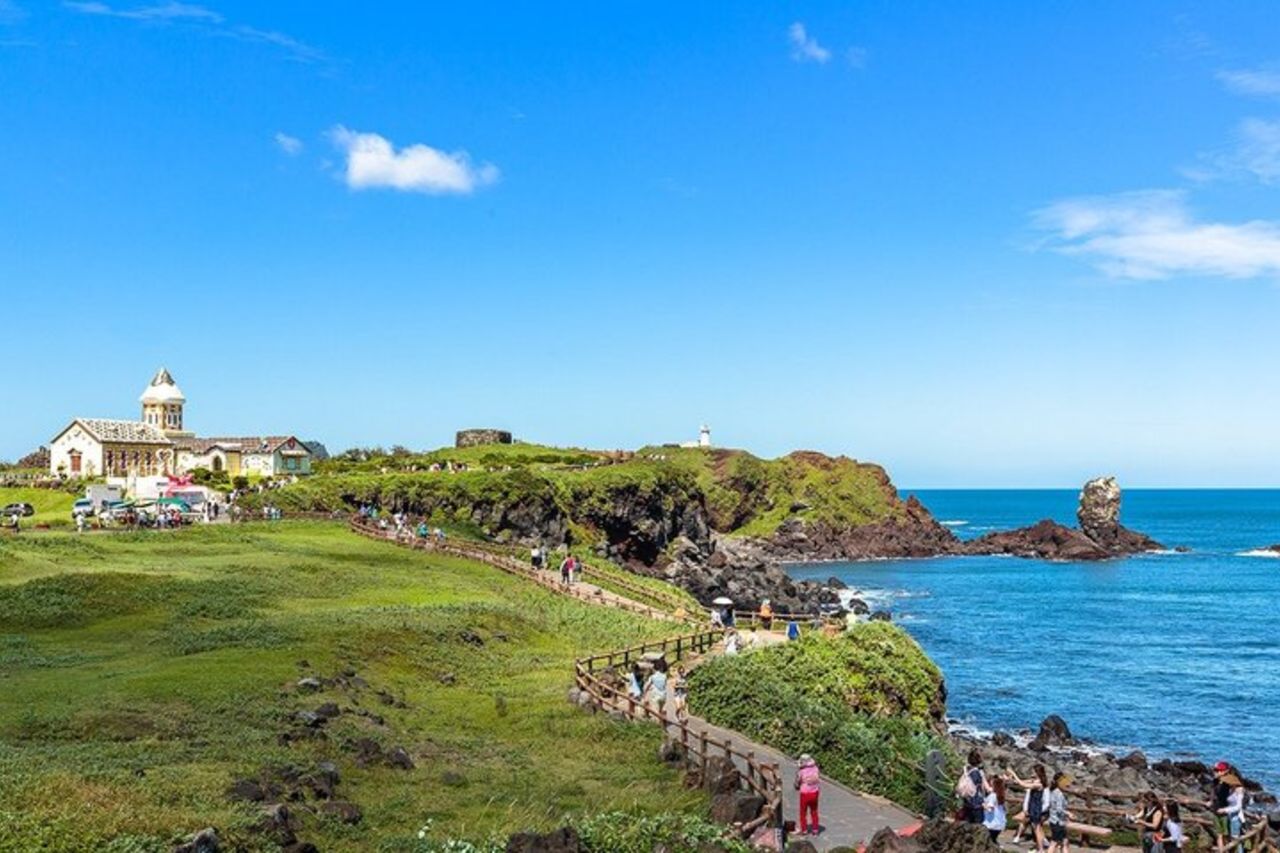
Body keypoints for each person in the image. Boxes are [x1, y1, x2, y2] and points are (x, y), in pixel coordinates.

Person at [1009, 764, 1051, 851]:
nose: (1032, 772)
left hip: (1035, 809)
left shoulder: (1038, 784)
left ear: (1038, 772)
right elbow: (1020, 782)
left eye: (1034, 771)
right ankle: (1041, 848)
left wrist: (1013, 773)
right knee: (1037, 829)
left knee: (1037, 830)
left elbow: (1023, 785)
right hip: (1033, 807)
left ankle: (1041, 849)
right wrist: (1011, 779)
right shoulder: (1035, 781)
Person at [956, 750, 988, 825]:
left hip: (967, 802)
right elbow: (984, 788)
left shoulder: (966, 771)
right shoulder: (978, 773)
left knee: (968, 826)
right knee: (978, 827)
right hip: (977, 804)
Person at [795, 754, 821, 836]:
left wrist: (797, 785)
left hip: (805, 793)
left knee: (803, 812)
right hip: (815, 792)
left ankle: (804, 830)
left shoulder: (801, 771)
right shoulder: (816, 768)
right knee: (814, 811)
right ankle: (815, 829)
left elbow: (798, 781)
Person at [1046, 773, 1072, 853]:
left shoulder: (1053, 791)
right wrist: (1068, 813)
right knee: (1054, 843)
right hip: (1058, 822)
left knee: (1064, 842)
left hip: (1054, 821)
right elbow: (1059, 809)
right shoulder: (1059, 794)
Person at [984, 776, 1008, 843]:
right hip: (999, 824)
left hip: (991, 824)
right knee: (993, 841)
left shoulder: (993, 796)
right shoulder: (1001, 795)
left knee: (990, 842)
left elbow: (990, 808)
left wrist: (982, 805)